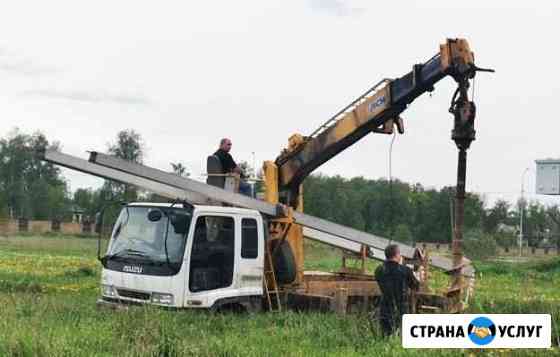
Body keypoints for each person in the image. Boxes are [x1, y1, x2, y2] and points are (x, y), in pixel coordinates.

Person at [374, 244, 421, 336]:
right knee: (401, 335)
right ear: (396, 255)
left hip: (385, 307)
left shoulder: (379, 270)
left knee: (385, 335)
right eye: (399, 254)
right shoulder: (405, 270)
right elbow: (415, 286)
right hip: (401, 308)